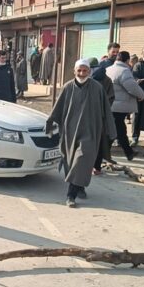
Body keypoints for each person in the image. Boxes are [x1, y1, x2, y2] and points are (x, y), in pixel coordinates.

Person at [47, 59, 115, 207]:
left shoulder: (97, 88)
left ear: (89, 71)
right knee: (71, 162)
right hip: (70, 132)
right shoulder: (67, 87)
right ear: (74, 71)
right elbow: (57, 108)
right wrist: (50, 124)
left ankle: (71, 195)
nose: (82, 73)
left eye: (85, 71)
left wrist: (111, 130)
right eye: (79, 70)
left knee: (82, 158)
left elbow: (106, 111)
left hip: (90, 132)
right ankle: (80, 187)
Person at [106, 51, 144, 160]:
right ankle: (106, 154)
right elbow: (131, 87)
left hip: (110, 104)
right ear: (127, 60)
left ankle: (128, 152)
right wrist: (141, 95)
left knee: (118, 129)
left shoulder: (108, 69)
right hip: (119, 106)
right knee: (117, 130)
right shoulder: (124, 71)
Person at [90, 57, 115, 175]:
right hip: (102, 116)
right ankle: (97, 168)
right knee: (100, 141)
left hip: (88, 116)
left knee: (88, 141)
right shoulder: (108, 79)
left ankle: (87, 166)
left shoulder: (87, 79)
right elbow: (111, 97)